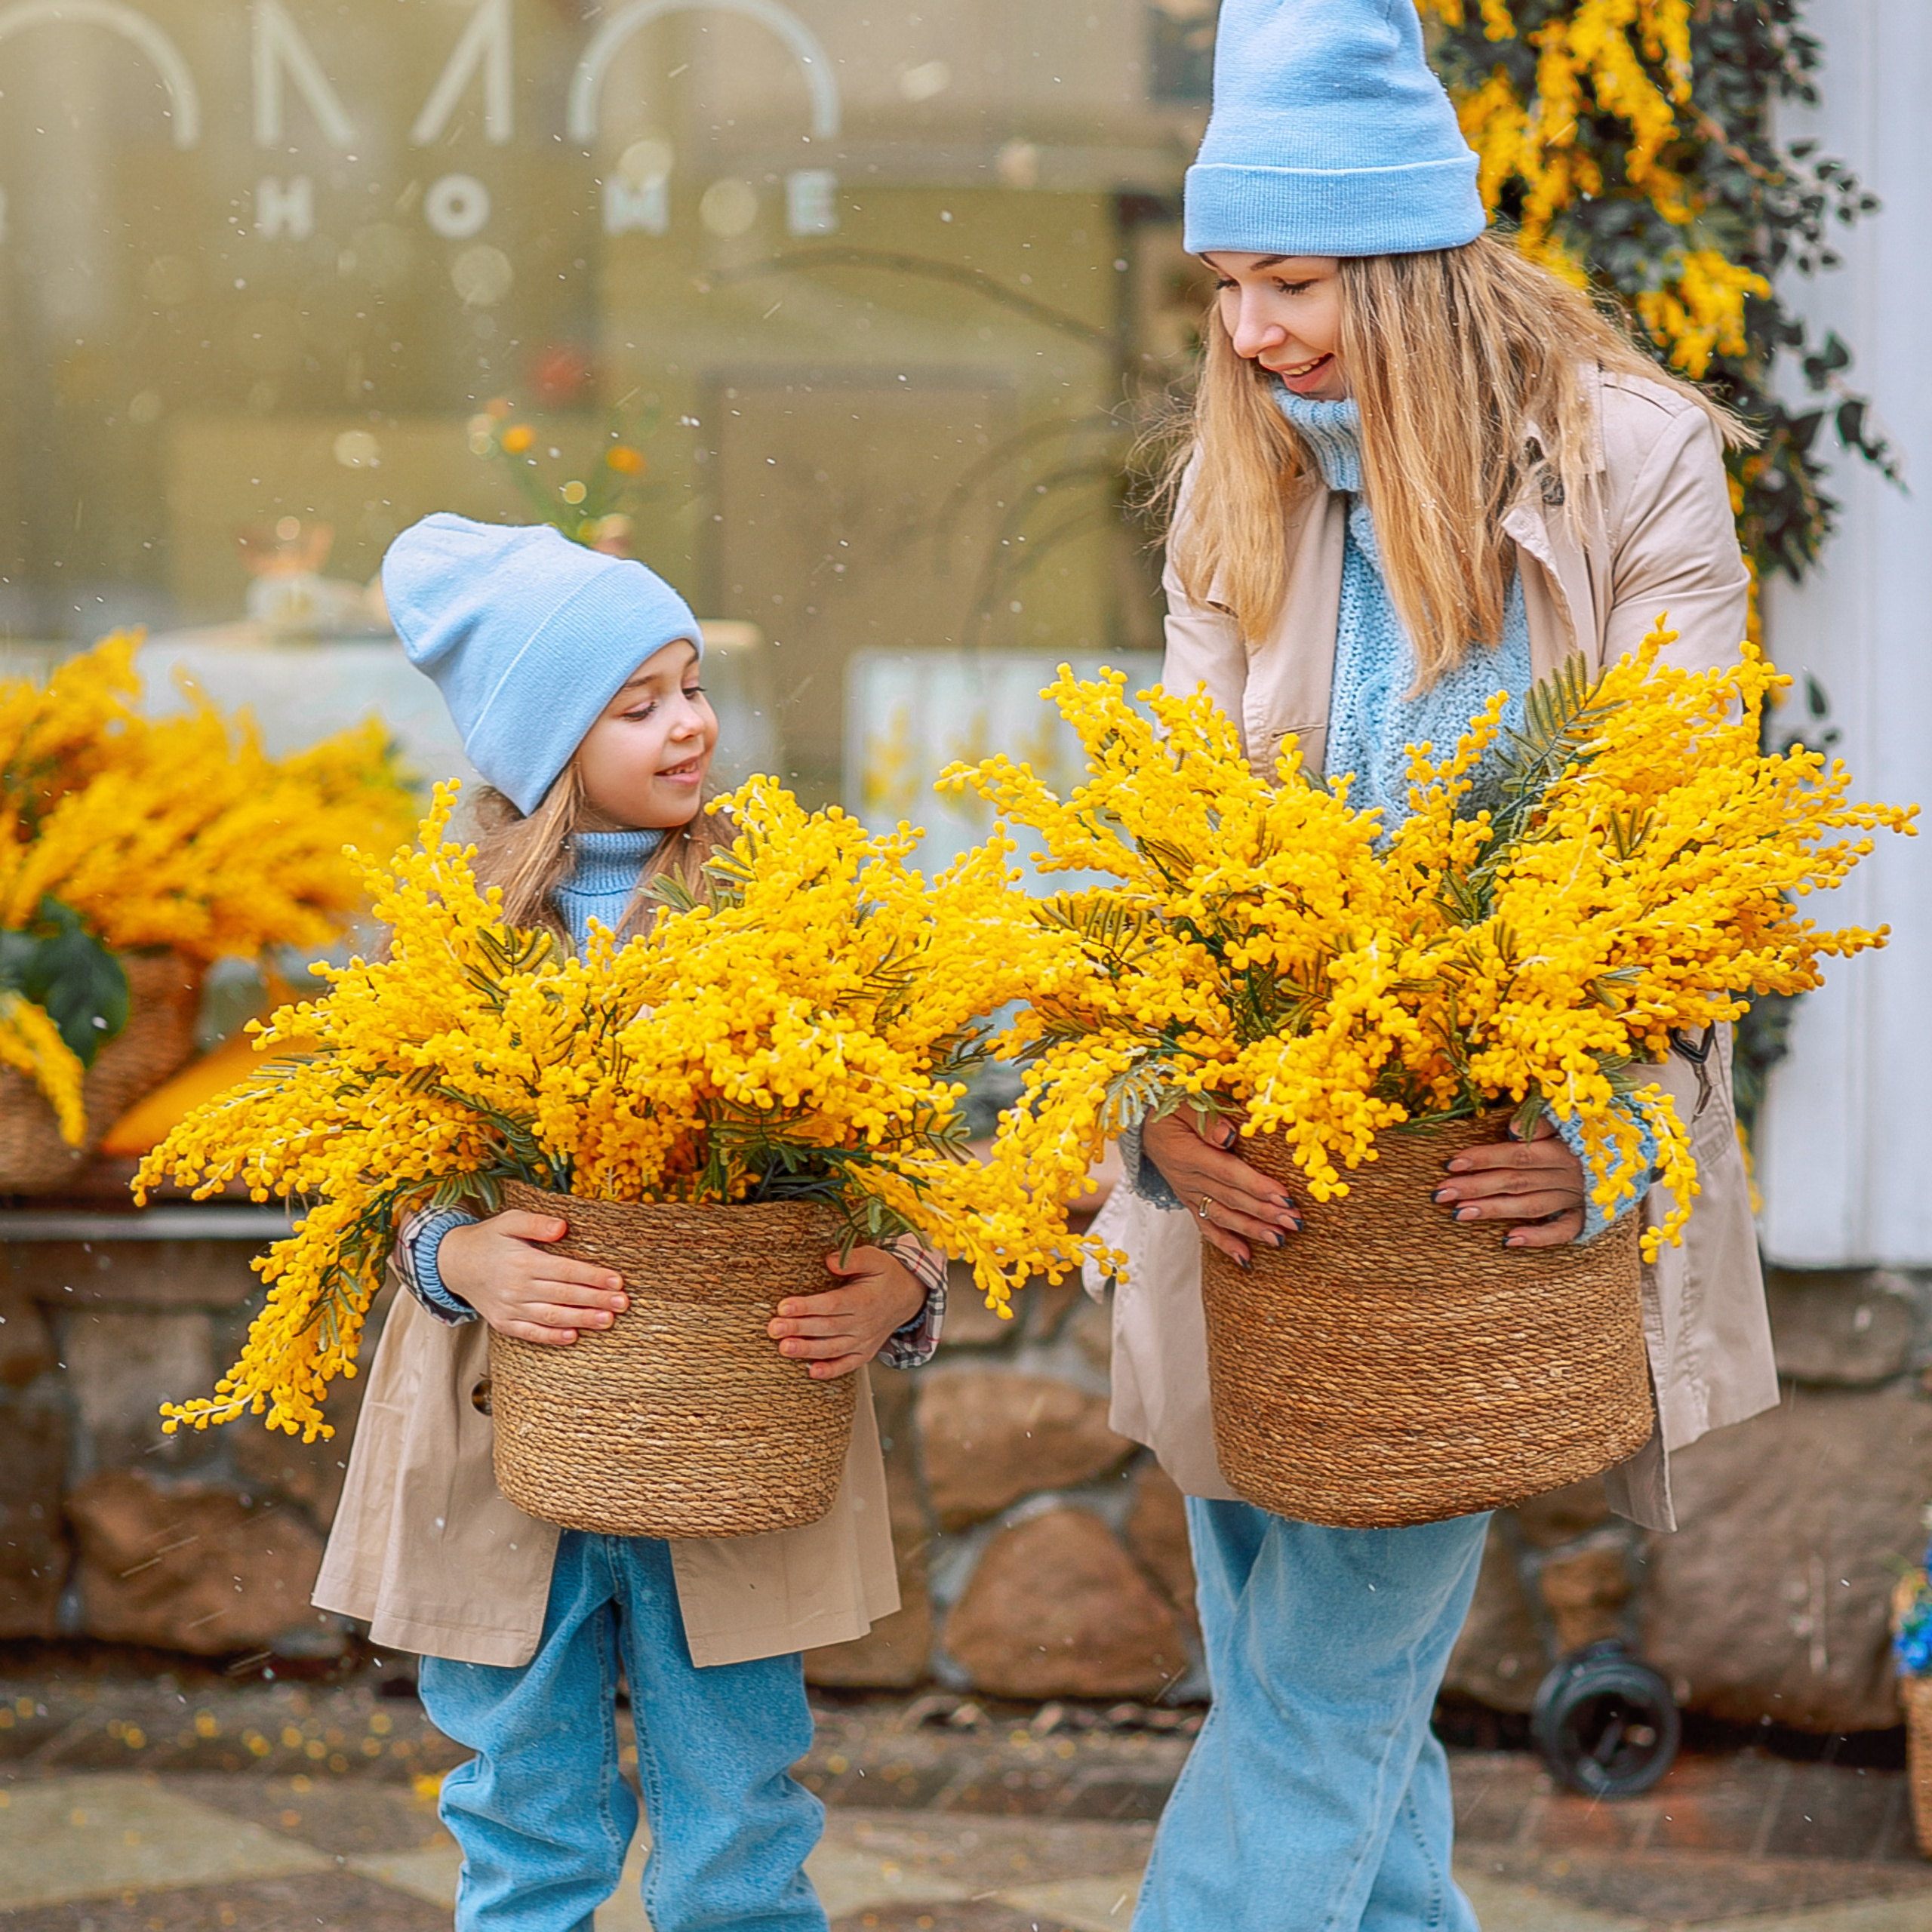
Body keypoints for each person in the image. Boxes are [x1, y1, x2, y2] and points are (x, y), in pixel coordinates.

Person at [1097, 5, 1779, 1927]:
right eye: (1225, 284)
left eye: (1291, 281)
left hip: (1466, 1187)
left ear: (1403, 262)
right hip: (1260, 1176)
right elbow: (1173, 835)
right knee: (1311, 1698)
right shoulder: (1236, 477)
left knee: (1316, 1700)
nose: (1247, 332)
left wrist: (1613, 1129)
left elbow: (1682, 842)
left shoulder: (1631, 461)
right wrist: (1157, 1117)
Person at [312, 515, 947, 1932]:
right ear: (546, 742)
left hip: (733, 1430)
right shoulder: (454, 931)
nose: (690, 725)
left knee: (739, 1827)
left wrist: (900, 1286)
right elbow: (378, 1175)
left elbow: (903, 1152)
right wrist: (456, 1256)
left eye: (693, 686)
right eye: (639, 702)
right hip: (500, 1439)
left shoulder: (782, 909)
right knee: (521, 1820)